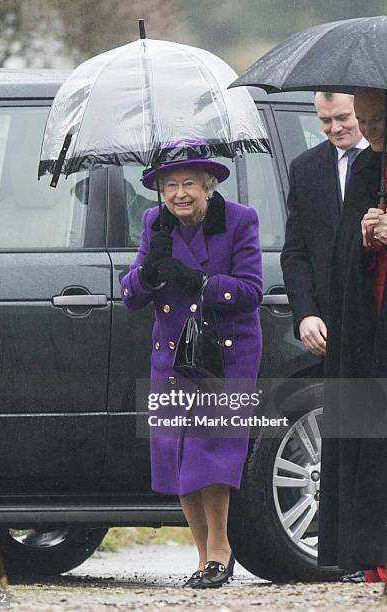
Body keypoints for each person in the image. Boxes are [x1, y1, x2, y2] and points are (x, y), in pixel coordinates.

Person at [121, 153, 262, 588]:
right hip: (171, 354)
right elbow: (131, 295)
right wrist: (148, 272)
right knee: (176, 454)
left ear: (208, 186)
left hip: (222, 354)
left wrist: (197, 280)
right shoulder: (154, 222)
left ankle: (221, 548)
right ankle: (203, 558)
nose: (179, 194)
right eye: (169, 187)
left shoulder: (239, 219)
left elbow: (252, 290)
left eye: (188, 185)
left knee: (210, 450)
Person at [318, 87, 387, 581]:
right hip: (371, 320)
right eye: (366, 118)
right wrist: (367, 237)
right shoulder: (367, 169)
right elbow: (347, 255)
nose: (370, 129)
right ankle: (370, 550)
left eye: (378, 117)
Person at [281, 92, 368, 355]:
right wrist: (305, 313)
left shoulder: (380, 158)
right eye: (325, 120)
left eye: (343, 117)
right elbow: (295, 251)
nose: (335, 128)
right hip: (333, 329)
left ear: (361, 110)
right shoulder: (304, 168)